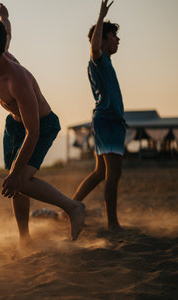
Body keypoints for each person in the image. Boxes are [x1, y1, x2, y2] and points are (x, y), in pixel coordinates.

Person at [0, 4, 85, 246]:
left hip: (40, 126)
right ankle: (24, 239)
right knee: (16, 185)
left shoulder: (16, 80)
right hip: (15, 124)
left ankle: (72, 207)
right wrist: (4, 17)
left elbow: (34, 132)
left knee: (19, 180)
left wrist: (15, 173)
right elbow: (6, 35)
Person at [72, 0, 124, 231]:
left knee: (100, 172)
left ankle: (71, 206)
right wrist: (101, 17)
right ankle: (113, 224)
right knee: (113, 174)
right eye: (113, 36)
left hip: (108, 120)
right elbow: (94, 47)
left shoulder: (107, 63)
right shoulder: (98, 58)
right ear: (102, 38)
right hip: (108, 120)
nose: (118, 39)